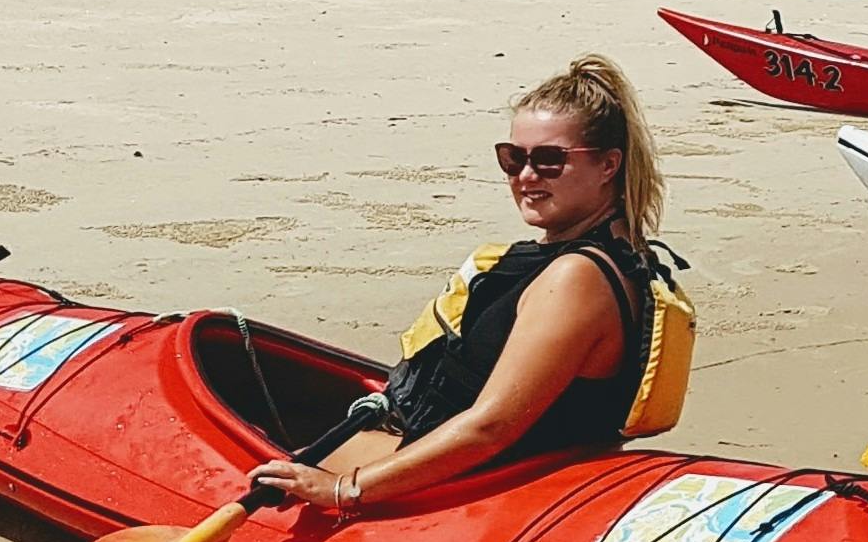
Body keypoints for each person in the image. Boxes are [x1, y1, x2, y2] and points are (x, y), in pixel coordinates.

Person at [248, 56, 693, 512]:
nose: (526, 176)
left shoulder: (576, 277)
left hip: (470, 486)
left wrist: (343, 489)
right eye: (513, 158)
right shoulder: (622, 258)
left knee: (255, 442)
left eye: (549, 160)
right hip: (455, 452)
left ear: (607, 166)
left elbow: (492, 426)